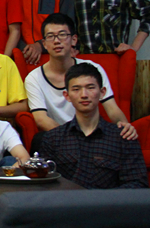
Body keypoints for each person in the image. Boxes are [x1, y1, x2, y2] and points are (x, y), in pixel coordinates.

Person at [25, 13, 137, 148]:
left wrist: (125, 127)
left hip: (93, 134)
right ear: (44, 44)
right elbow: (41, 119)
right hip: (59, 138)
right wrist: (74, 140)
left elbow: (112, 109)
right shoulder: (34, 78)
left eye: (62, 35)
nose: (56, 41)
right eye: (50, 36)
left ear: (74, 40)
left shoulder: (92, 69)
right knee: (40, 139)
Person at [40, 63, 148, 189]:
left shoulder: (123, 137)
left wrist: (103, 198)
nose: (84, 95)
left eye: (90, 87)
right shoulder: (53, 138)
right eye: (76, 89)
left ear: (102, 93)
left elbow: (137, 184)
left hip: (109, 201)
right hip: (67, 200)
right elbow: (44, 184)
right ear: (67, 96)